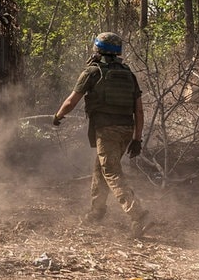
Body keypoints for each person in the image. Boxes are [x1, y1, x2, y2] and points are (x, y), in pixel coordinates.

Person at [52, 32, 150, 238]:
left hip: (107, 130)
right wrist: (137, 138)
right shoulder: (128, 74)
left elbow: (71, 102)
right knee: (101, 168)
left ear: (97, 49)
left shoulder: (92, 72)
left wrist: (58, 116)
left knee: (112, 172)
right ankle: (96, 212)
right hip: (126, 130)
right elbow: (139, 111)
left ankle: (138, 215)